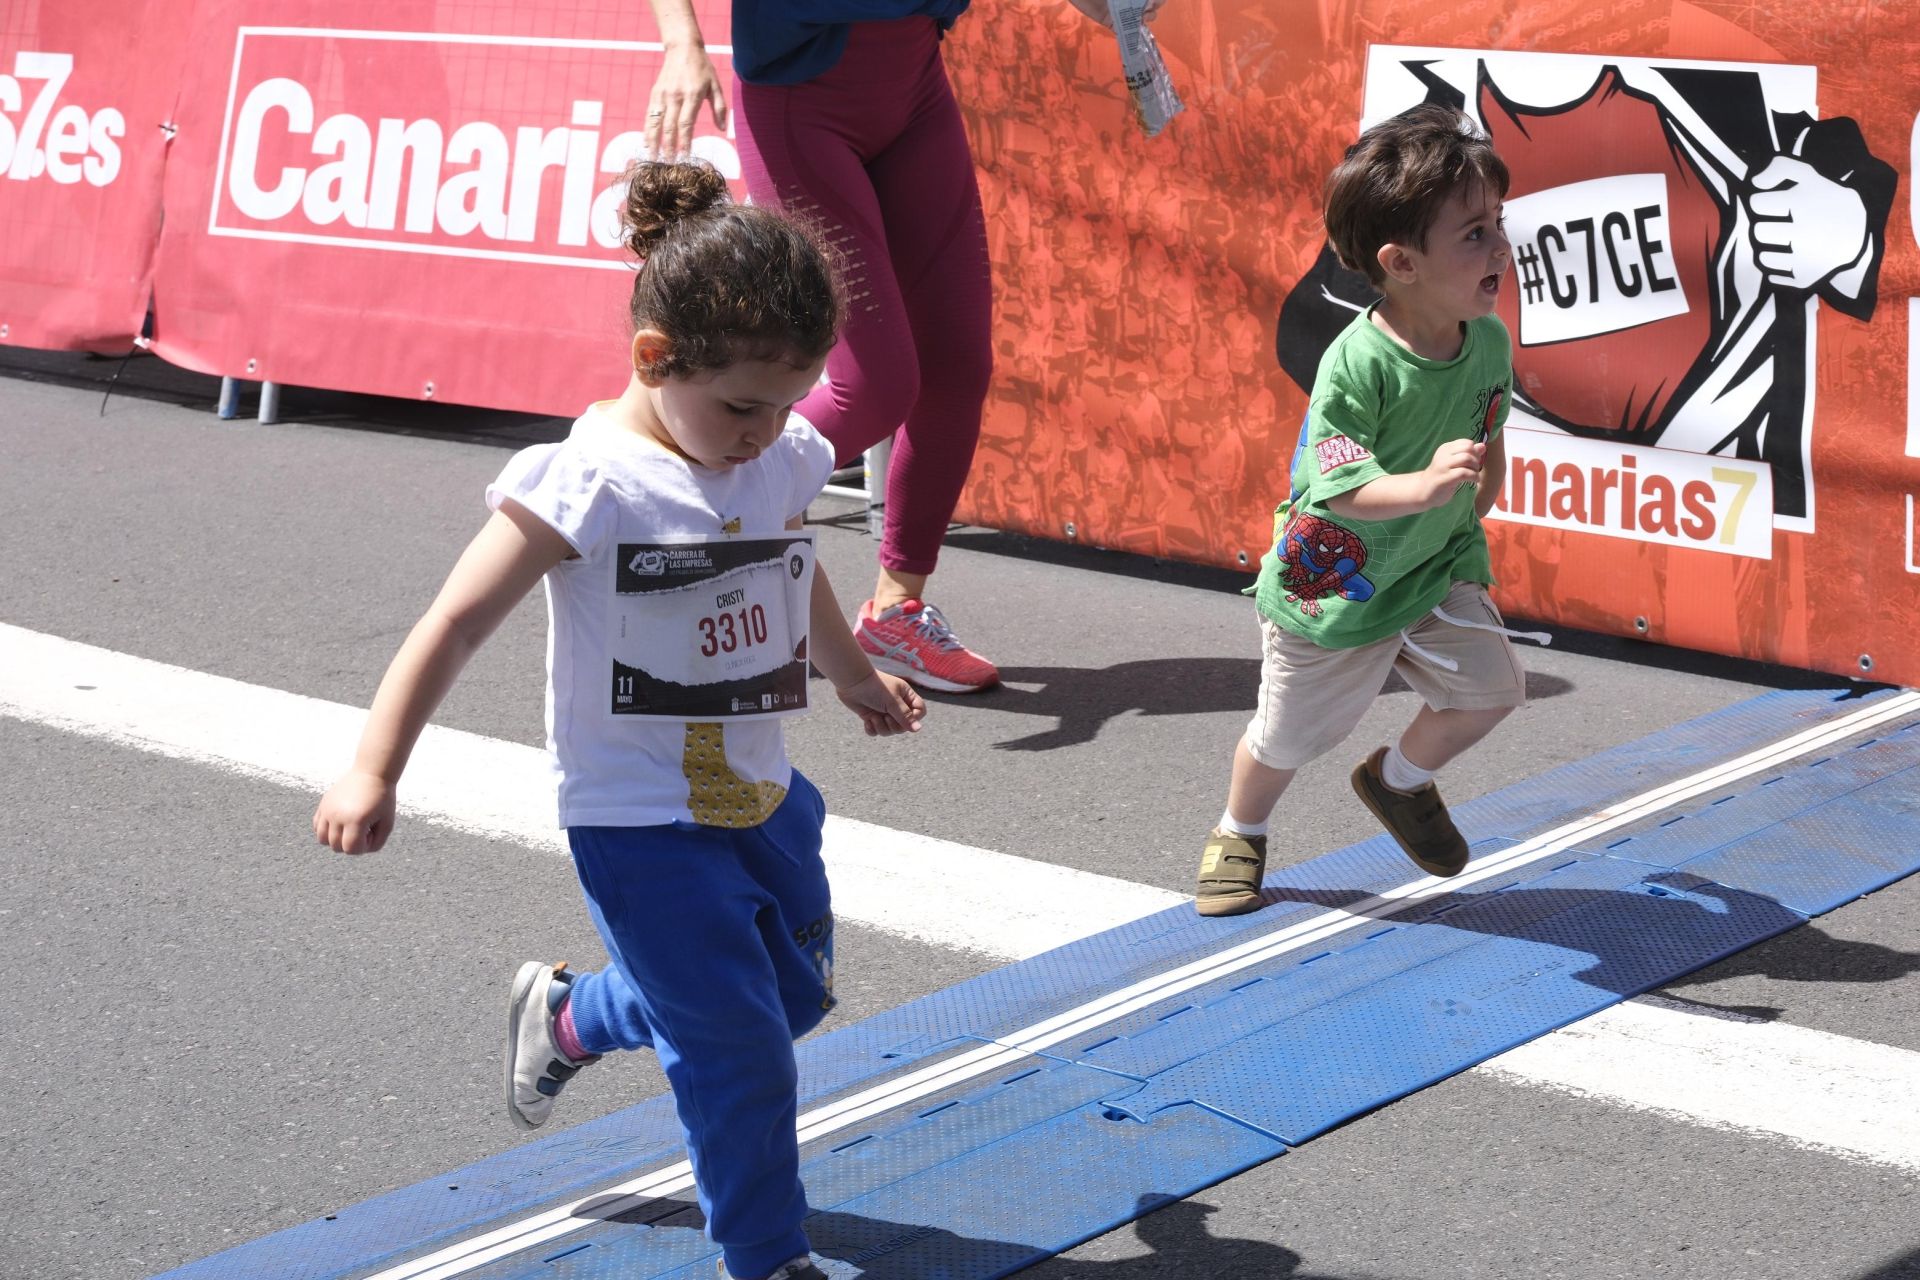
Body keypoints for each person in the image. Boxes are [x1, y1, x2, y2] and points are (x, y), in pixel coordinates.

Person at [311, 160, 925, 1280]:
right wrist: (371, 766)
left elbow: (791, 562)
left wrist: (850, 674)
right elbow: (453, 619)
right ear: (656, 358)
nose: (765, 430)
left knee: (789, 997)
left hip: (763, 792)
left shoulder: (775, 453)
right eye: (742, 403)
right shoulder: (588, 483)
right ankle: (766, 1253)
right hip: (638, 820)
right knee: (739, 1048)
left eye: (788, 402)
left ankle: (571, 1015)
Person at [639, 0, 1161, 694]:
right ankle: (665, 515)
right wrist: (682, 40)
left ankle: (896, 611)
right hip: (800, 95)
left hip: (915, 86)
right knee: (876, 385)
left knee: (956, 369)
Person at [1194, 104, 1544, 917]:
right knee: (1290, 737)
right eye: (1473, 233)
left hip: (1433, 562)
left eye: (1499, 222)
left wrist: (1468, 507)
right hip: (1337, 584)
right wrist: (1424, 486)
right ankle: (1239, 830)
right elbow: (1339, 486)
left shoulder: (1485, 338)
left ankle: (1399, 784)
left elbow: (1484, 437)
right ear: (1401, 262)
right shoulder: (1356, 362)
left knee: (1491, 689)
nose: (1501, 247)